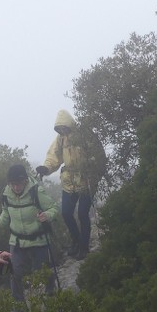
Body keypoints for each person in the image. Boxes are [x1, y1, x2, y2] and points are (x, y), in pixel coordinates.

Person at [36, 109, 106, 260]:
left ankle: (84, 246)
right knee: (66, 212)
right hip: (69, 181)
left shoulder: (84, 134)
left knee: (82, 213)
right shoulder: (61, 139)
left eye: (63, 127)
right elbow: (53, 156)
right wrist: (46, 168)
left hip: (87, 180)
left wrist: (94, 172)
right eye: (59, 128)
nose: (61, 130)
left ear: (68, 124)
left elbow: (98, 154)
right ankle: (76, 241)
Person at [0, 164, 59, 301]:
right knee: (15, 273)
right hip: (17, 241)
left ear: (25, 180)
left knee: (44, 272)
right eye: (13, 184)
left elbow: (54, 208)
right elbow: (6, 214)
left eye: (19, 183)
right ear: (9, 183)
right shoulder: (6, 195)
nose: (16, 187)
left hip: (38, 240)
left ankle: (52, 300)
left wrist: (47, 215)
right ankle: (19, 308)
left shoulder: (36, 191)